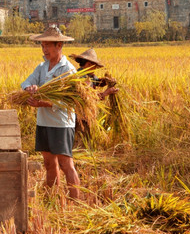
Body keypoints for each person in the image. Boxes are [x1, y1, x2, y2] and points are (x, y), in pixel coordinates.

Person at [21, 25, 81, 199]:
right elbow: (25, 83)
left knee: (66, 164)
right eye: (42, 46)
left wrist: (44, 103)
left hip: (61, 123)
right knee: (48, 163)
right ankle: (52, 200)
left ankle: (77, 203)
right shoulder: (42, 67)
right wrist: (30, 88)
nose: (44, 49)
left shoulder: (67, 69)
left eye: (48, 45)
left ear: (59, 46)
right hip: (44, 122)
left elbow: (67, 100)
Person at [69, 48, 119, 141]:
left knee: (85, 141)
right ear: (88, 64)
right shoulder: (82, 78)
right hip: (80, 117)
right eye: (94, 66)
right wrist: (106, 93)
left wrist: (106, 80)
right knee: (81, 142)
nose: (95, 69)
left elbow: (97, 82)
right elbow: (89, 98)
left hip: (85, 116)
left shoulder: (89, 75)